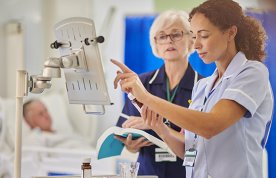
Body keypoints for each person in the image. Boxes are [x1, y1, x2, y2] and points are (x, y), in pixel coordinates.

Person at [111, 0, 274, 178]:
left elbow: (210, 125)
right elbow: (188, 150)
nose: (196, 45)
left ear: (230, 32)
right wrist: (159, 127)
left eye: (203, 36)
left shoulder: (252, 72)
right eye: (194, 36)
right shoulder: (203, 86)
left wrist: (147, 98)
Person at [115, 10, 201, 178]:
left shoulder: (202, 86)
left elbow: (199, 145)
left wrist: (153, 124)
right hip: (148, 172)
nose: (169, 40)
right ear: (155, 43)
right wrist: (130, 145)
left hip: (185, 172)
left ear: (191, 39)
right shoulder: (141, 83)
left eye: (176, 34)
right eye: (162, 36)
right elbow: (124, 129)